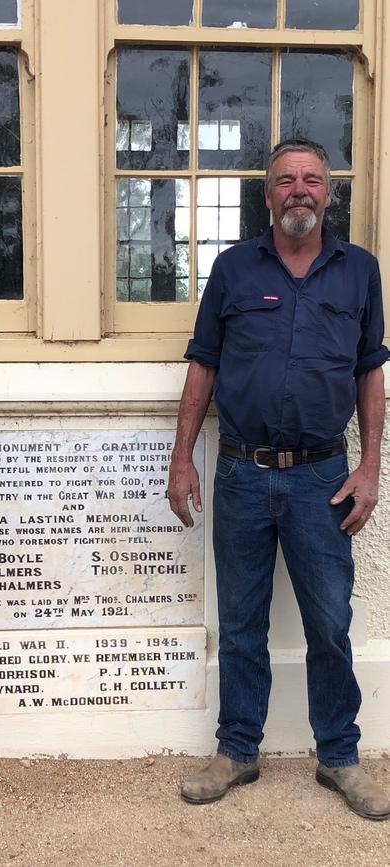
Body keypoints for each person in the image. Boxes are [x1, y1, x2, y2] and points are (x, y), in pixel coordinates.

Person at [166, 139, 390, 820]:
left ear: (329, 194)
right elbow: (203, 365)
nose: (300, 190)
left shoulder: (360, 272)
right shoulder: (233, 270)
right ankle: (237, 749)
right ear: (268, 196)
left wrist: (371, 466)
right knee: (240, 622)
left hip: (322, 476)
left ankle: (341, 756)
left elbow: (369, 373)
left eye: (313, 180)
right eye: (286, 180)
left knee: (329, 620)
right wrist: (181, 458)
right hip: (239, 471)